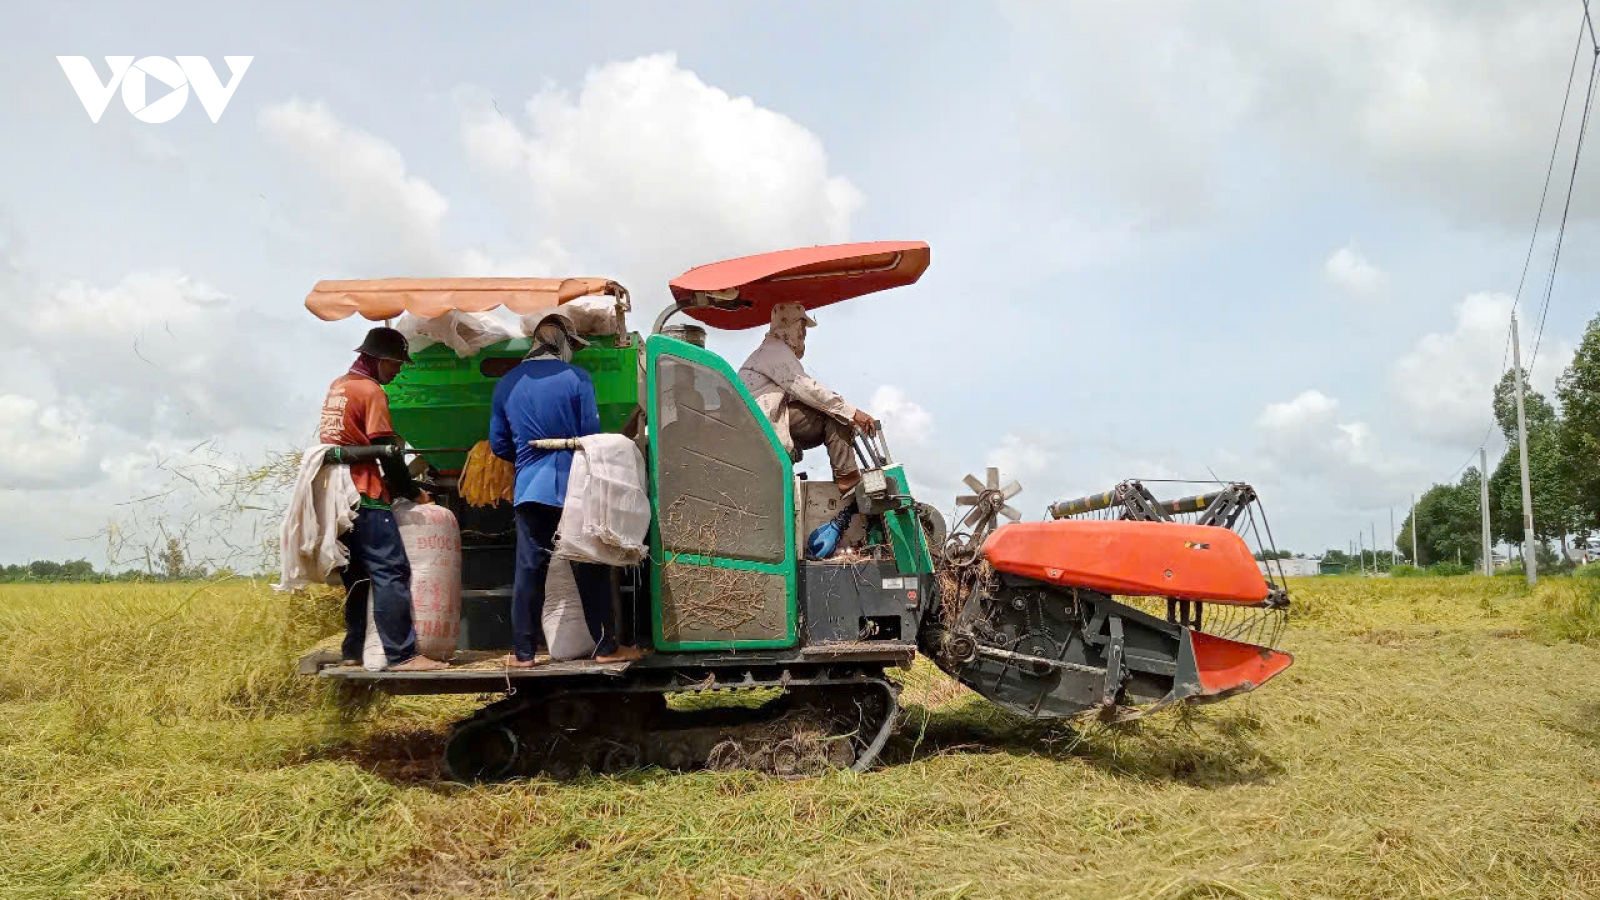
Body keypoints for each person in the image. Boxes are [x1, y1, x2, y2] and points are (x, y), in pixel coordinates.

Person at [490, 307, 643, 667]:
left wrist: (528, 457)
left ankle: (523, 654)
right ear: (561, 344)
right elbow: (590, 434)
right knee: (590, 565)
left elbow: (498, 444)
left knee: (530, 570)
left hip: (530, 488)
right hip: (575, 486)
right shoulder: (577, 379)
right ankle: (606, 649)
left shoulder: (507, 383)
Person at [321, 326, 447, 672]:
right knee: (391, 571)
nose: (399, 370)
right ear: (378, 360)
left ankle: (353, 649)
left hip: (336, 494)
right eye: (395, 364)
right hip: (364, 492)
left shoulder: (338, 386)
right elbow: (389, 451)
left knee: (357, 577)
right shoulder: (371, 391)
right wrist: (411, 491)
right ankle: (402, 655)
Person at [739, 302, 879, 492]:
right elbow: (810, 391)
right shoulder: (777, 352)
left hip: (758, 425)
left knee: (832, 408)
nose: (804, 334)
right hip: (766, 425)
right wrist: (853, 413)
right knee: (835, 414)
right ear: (793, 326)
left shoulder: (765, 352)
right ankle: (848, 477)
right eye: (802, 327)